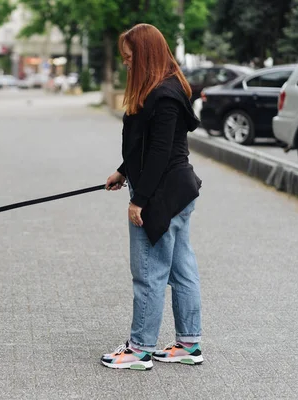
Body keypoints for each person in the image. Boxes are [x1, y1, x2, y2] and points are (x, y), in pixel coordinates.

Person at [101, 23, 204, 371]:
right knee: (181, 268)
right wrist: (123, 171)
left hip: (162, 195)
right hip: (175, 191)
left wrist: (138, 199)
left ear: (145, 56)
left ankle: (140, 349)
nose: (126, 65)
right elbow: (146, 145)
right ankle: (189, 344)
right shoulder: (165, 88)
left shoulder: (163, 94)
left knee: (148, 271)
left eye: (130, 58)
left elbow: (160, 152)